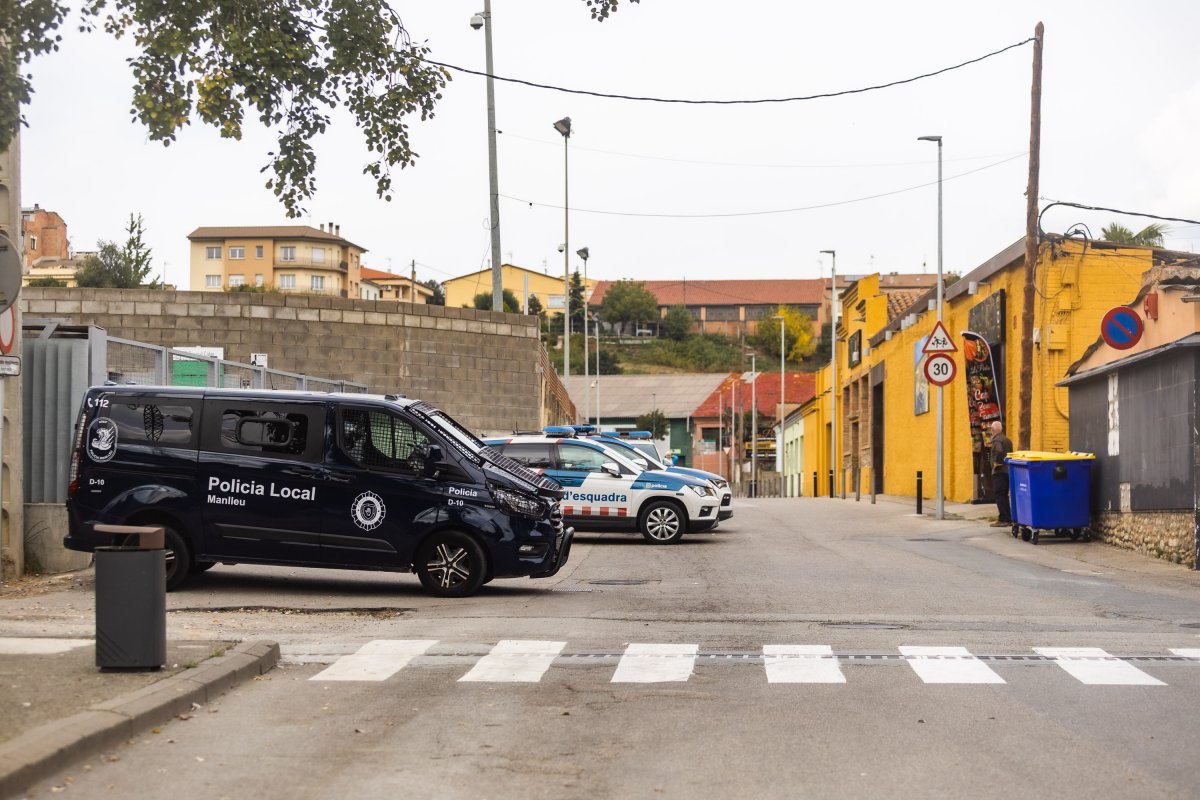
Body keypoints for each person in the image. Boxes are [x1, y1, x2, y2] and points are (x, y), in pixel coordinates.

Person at [989, 420, 1014, 526]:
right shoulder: (1007, 440)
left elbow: (998, 451)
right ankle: (1008, 518)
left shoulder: (997, 440)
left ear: (993, 430)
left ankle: (1003, 519)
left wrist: (996, 463)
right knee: (1004, 495)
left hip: (1000, 471)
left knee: (1000, 495)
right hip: (1007, 471)